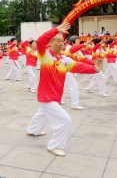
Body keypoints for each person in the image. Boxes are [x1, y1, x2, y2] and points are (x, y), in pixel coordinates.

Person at [26, 22, 103, 157]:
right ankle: (55, 145)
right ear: (50, 43)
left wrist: (94, 69)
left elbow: (79, 66)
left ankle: (33, 130)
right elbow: (39, 42)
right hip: (46, 97)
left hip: (55, 96)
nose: (61, 44)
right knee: (65, 120)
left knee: (42, 114)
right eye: (58, 41)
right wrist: (55, 29)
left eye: (62, 41)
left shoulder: (64, 60)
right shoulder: (45, 57)